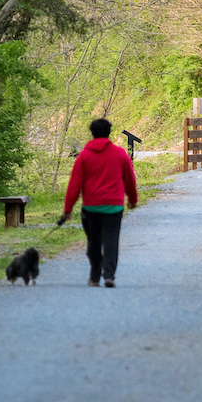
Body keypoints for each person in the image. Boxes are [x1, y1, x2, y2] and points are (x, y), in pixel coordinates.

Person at [62, 118, 138, 288]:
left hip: (91, 207)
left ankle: (95, 277)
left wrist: (68, 209)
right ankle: (109, 276)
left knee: (94, 242)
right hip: (114, 207)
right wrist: (132, 199)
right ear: (109, 133)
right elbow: (129, 180)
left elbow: (74, 185)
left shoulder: (84, 156)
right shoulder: (120, 154)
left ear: (92, 133)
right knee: (111, 241)